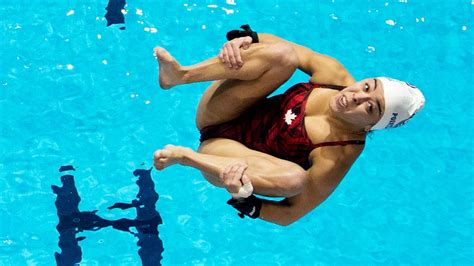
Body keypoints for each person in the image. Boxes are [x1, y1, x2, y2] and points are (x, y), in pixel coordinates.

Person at [152, 25, 425, 226]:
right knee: (284, 55)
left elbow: (291, 214)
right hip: (221, 111)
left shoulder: (338, 154)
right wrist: (247, 40)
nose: (356, 96)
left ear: (371, 125)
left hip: (222, 156)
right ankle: (180, 75)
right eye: (367, 86)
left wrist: (245, 198)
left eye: (369, 107)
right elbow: (282, 44)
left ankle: (187, 158)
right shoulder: (334, 75)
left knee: (295, 181)